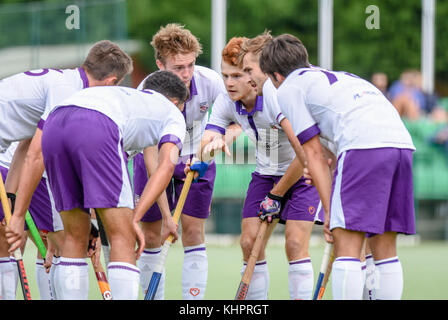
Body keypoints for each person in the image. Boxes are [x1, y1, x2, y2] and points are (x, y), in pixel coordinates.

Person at [259, 33, 416, 300]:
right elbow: (328, 150)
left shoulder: (288, 89)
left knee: (347, 244)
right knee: (385, 249)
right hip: (401, 146)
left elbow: (314, 155)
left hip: (363, 148)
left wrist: (331, 213)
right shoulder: (336, 78)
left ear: (275, 76)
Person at [8, 71, 189, 300]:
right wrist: (134, 218)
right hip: (98, 125)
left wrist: (18, 215)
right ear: (175, 102)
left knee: (75, 237)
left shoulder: (126, 98)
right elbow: (166, 167)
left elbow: (35, 157)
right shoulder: (173, 113)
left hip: (55, 122)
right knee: (123, 237)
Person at [190, 34, 322, 300]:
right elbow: (205, 148)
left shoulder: (274, 96)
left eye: (238, 74)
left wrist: (276, 195)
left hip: (301, 173)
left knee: (295, 244)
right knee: (249, 243)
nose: (229, 83)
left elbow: (305, 154)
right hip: (265, 173)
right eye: (225, 75)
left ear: (254, 73)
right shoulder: (226, 102)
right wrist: (210, 147)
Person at [2, 40, 133, 299]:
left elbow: (26, 145)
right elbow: (36, 156)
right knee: (64, 240)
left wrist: (11, 200)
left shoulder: (66, 82)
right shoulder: (68, 94)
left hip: (5, 155)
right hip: (4, 157)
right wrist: (17, 217)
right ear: (111, 83)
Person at [132, 23, 227, 300]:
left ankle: (193, 303)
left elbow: (232, 123)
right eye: (178, 68)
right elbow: (152, 161)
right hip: (157, 157)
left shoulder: (211, 82)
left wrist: (220, 141)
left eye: (190, 65)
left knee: (194, 232)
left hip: (197, 158)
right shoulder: (146, 92)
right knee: (151, 237)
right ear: (160, 64)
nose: (186, 74)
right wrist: (165, 214)